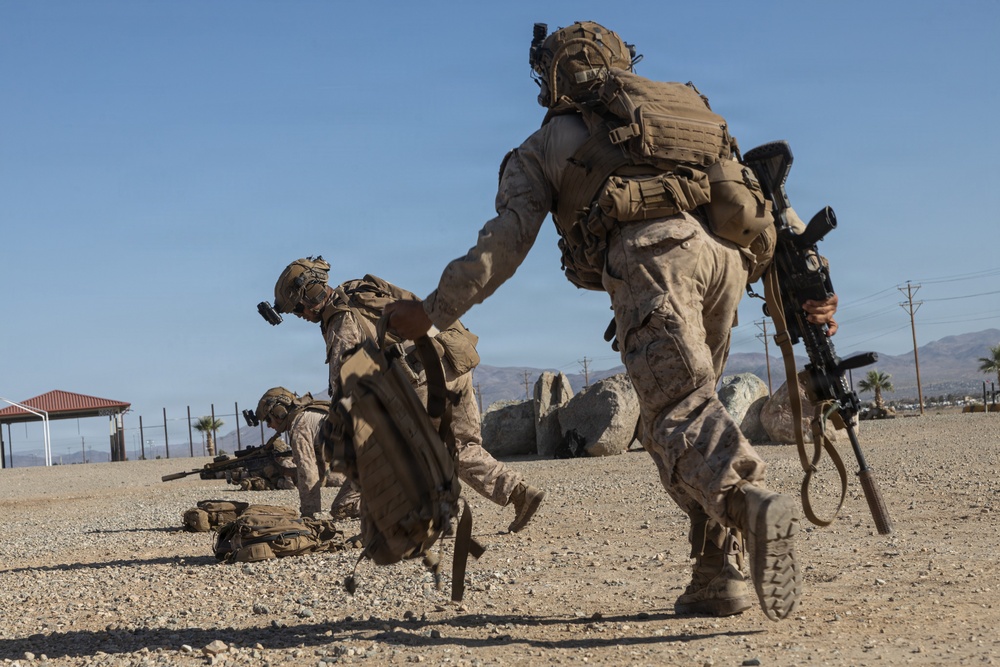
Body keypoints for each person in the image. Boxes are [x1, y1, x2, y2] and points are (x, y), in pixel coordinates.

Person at [385, 21, 840, 622]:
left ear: (550, 77)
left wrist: (430, 313)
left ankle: (749, 501)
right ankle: (714, 573)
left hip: (654, 264)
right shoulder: (686, 111)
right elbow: (770, 204)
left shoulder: (544, 144)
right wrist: (816, 285)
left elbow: (504, 243)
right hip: (727, 263)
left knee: (679, 411)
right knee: (680, 418)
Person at [266, 257, 546, 533]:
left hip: (424, 378)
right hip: (452, 361)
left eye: (298, 308)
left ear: (311, 293)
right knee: (460, 446)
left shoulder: (340, 320)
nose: (300, 315)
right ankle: (519, 493)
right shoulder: (360, 288)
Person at [254, 387, 330, 517]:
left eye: (268, 419)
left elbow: (308, 475)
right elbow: (320, 473)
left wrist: (309, 515)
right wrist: (281, 470)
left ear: (280, 412)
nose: (268, 426)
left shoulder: (299, 426)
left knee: (344, 507)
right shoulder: (308, 415)